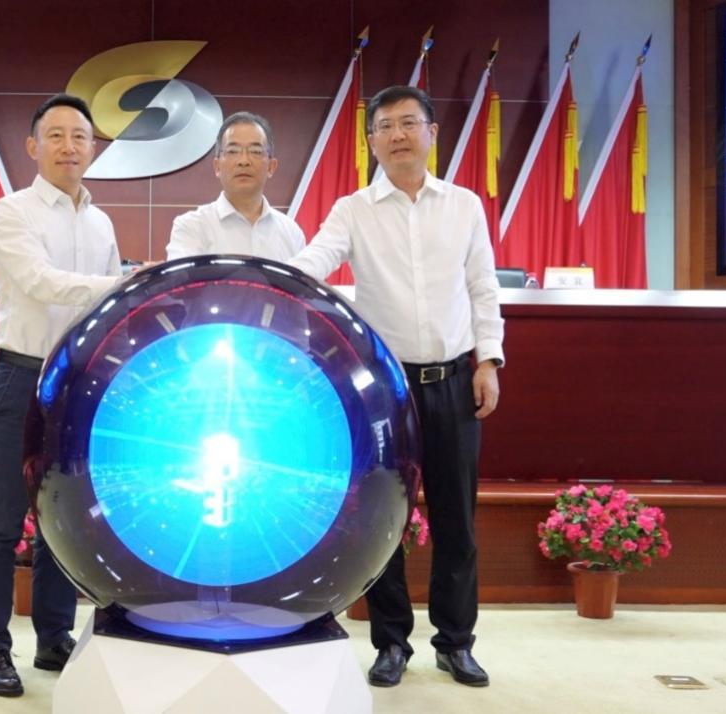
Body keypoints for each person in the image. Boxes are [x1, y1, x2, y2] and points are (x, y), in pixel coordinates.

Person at [287, 85, 505, 689]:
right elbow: (315, 260)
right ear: (371, 142)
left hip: (454, 380)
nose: (398, 135)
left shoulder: (464, 206)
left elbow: (483, 286)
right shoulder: (353, 210)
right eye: (385, 126)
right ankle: (390, 643)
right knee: (384, 520)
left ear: (432, 133)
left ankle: (456, 643)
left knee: (457, 522)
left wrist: (489, 360)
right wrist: (270, 277)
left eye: (409, 123)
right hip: (384, 390)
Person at [0, 93, 122, 697]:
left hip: (77, 380)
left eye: (79, 136)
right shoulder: (11, 212)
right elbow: (40, 283)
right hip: (23, 375)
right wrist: (118, 284)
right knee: (4, 522)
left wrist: (120, 289)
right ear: (33, 146)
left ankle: (53, 637)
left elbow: (106, 307)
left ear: (93, 148)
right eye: (55, 136)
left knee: (62, 516)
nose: (68, 146)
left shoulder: (101, 221)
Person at [165, 111, 305, 261]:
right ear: (217, 166)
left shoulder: (291, 233)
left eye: (255, 151)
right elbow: (181, 276)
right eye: (233, 151)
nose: (244, 161)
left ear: (271, 167)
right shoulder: (192, 227)